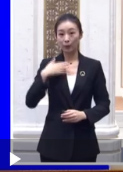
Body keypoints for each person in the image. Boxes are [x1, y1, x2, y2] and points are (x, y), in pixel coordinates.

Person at [25, 13, 111, 163]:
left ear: (80, 34)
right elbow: (30, 102)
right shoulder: (48, 65)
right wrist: (45, 74)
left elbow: (104, 104)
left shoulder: (93, 66)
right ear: (56, 37)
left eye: (72, 33)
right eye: (61, 34)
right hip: (53, 144)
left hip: (84, 144)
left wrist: (84, 114)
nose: (66, 39)